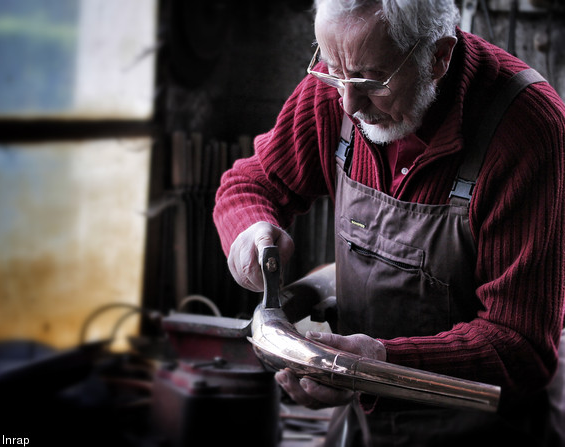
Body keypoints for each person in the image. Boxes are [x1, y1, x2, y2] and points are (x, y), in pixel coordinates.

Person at [212, 0, 565, 446]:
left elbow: (522, 344)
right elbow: (252, 181)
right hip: (367, 422)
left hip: (487, 431)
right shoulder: (339, 87)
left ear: (438, 57)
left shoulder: (528, 133)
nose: (349, 103)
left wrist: (380, 365)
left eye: (371, 80)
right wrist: (250, 232)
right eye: (332, 72)